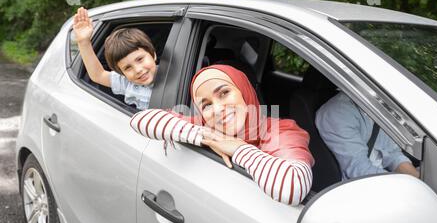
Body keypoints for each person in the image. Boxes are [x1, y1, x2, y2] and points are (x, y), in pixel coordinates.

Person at [130, 65, 314, 206]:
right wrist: (208, 137)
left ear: (244, 90)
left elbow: (293, 187)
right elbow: (140, 120)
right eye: (206, 105)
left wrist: (238, 148)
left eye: (224, 93)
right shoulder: (206, 125)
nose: (217, 109)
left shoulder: (282, 130)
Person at [315, 91, 419, 180]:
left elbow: (392, 154)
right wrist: (406, 185)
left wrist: (418, 180)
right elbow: (359, 170)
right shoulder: (338, 112)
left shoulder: (373, 108)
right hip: (358, 189)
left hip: (379, 179)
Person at [73, 7, 157, 110]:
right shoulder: (128, 84)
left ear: (153, 54)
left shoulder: (177, 72)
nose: (138, 70)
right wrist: (83, 42)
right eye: (127, 68)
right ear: (122, 73)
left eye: (140, 59)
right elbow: (98, 75)